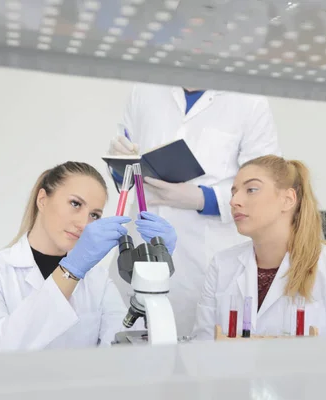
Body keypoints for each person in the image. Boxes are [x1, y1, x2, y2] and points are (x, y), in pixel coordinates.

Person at [108, 84, 282, 336]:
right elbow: (121, 170)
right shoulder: (144, 88)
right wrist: (119, 164)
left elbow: (267, 185)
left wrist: (202, 198)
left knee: (194, 355)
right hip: (138, 248)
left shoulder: (249, 101)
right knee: (123, 346)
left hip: (202, 257)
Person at [0, 161, 177, 353]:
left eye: (94, 215)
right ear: (42, 199)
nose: (83, 223)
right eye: (75, 204)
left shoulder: (97, 280)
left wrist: (150, 279)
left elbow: (124, 348)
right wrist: (71, 270)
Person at [192, 155, 326, 339]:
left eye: (251, 190)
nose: (234, 201)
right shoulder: (222, 265)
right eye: (233, 192)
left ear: (288, 200)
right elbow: (203, 347)